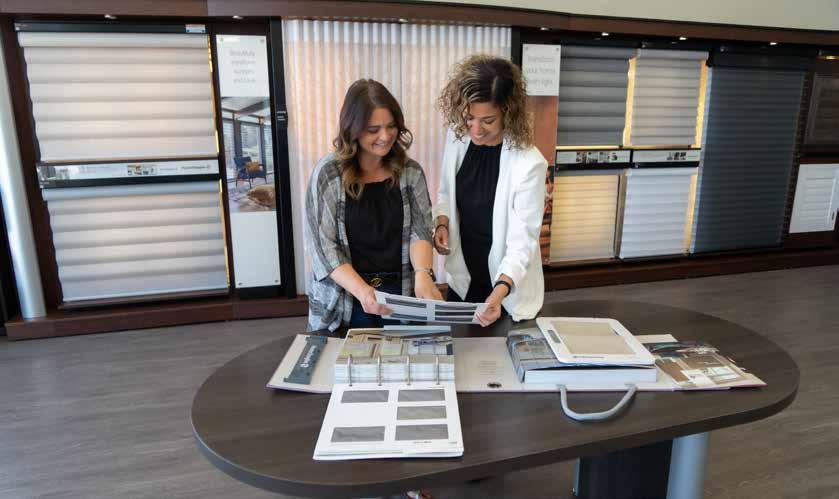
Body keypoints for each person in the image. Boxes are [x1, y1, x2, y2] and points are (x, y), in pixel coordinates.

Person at [305, 79, 442, 332]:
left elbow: (421, 230)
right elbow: (323, 248)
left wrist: (423, 273)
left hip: (400, 292)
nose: (385, 136)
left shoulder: (410, 172)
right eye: (373, 129)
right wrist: (363, 292)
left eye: (391, 126)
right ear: (353, 129)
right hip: (347, 295)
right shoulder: (328, 174)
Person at [433, 55, 547, 327]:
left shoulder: (529, 163)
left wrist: (498, 292)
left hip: (505, 287)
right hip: (463, 276)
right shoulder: (457, 137)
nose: (476, 129)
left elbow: (522, 242)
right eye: (469, 117)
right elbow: (446, 192)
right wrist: (442, 222)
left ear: (508, 112)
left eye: (488, 121)